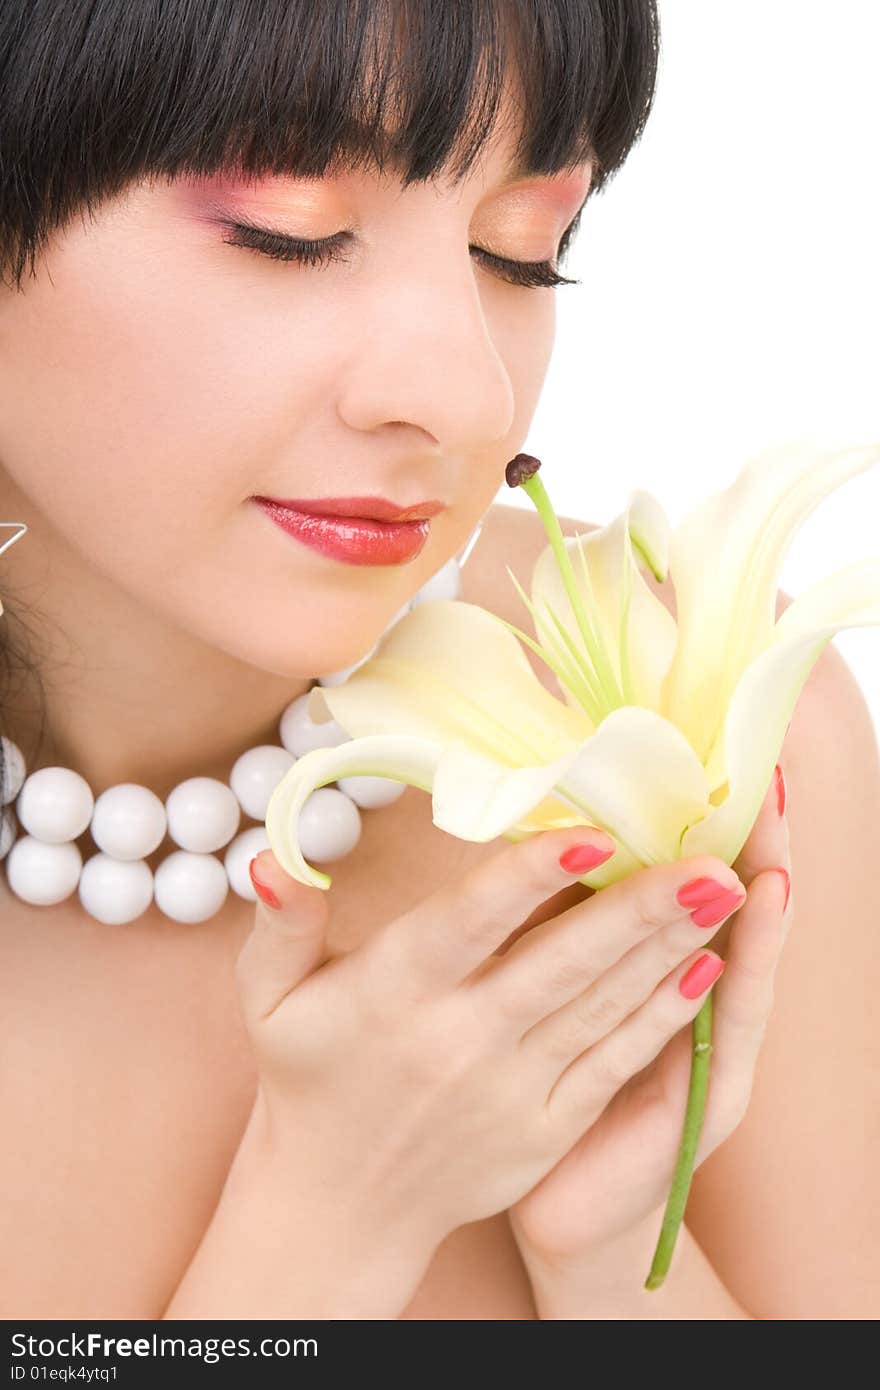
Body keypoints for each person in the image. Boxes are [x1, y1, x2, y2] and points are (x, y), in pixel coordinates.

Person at [0, 0, 877, 1322]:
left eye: (524, 253)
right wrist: (337, 1208)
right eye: (291, 229)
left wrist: (612, 1243)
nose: (467, 398)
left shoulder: (681, 726)